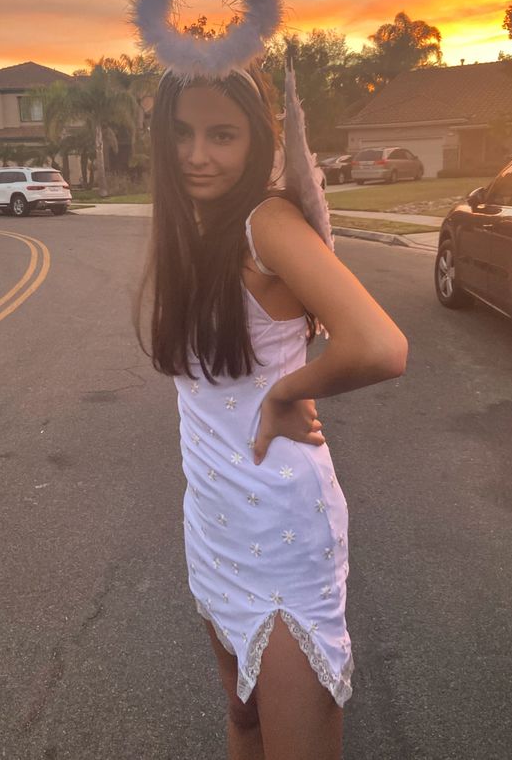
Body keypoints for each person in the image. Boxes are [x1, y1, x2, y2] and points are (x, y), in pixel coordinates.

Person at [134, 61, 408, 760]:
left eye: (221, 134)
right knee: (244, 719)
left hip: (281, 537)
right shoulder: (187, 229)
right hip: (212, 523)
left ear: (255, 138)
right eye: (183, 133)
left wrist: (285, 391)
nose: (198, 154)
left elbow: (381, 345)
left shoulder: (266, 223)